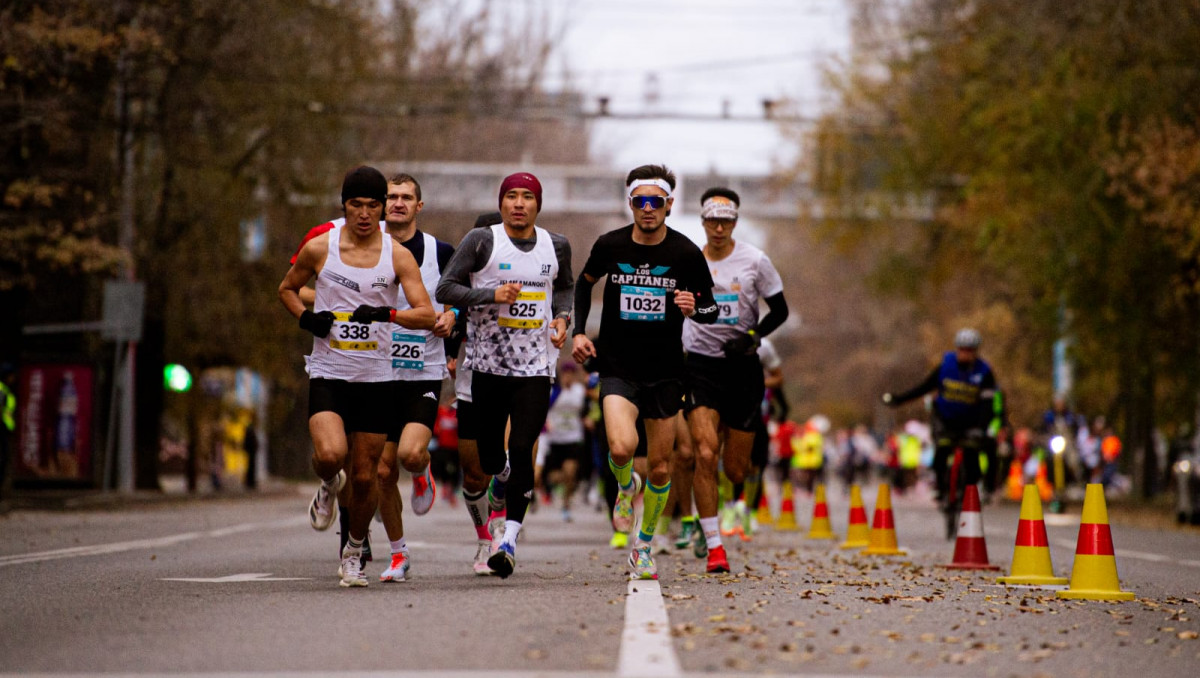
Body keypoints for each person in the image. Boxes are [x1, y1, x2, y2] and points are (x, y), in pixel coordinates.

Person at [278, 165, 436, 587]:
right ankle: (328, 484)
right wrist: (307, 320)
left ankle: (353, 552)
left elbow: (426, 314)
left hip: (376, 377)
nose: (364, 214)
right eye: (356, 205)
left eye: (372, 205)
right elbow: (287, 289)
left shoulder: (396, 254)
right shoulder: (319, 248)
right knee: (331, 456)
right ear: (343, 206)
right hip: (330, 371)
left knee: (367, 476)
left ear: (383, 209)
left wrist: (387, 313)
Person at [571, 164, 719, 580]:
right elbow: (584, 284)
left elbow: (711, 309)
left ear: (670, 205)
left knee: (659, 467)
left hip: (667, 371)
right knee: (620, 449)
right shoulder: (610, 245)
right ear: (630, 203)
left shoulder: (685, 253)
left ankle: (644, 546)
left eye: (657, 201)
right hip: (617, 364)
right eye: (641, 201)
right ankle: (623, 487)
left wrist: (695, 308)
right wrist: (580, 332)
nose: (648, 208)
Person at [436, 173, 574, 579]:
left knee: (524, 445)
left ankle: (509, 539)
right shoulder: (482, 241)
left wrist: (564, 318)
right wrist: (490, 295)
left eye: (527, 197)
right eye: (511, 196)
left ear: (538, 204)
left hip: (535, 367)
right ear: (501, 203)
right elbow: (445, 288)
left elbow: (564, 289)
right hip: (487, 367)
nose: (518, 203)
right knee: (492, 458)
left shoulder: (557, 245)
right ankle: (502, 483)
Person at [678, 187, 788, 573]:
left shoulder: (756, 261)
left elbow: (780, 310)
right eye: (712, 221)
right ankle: (714, 545)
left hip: (742, 368)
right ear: (703, 222)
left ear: (735, 223)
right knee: (704, 453)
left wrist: (753, 337)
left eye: (726, 221)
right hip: (701, 366)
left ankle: (718, 506)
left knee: (735, 470)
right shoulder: (688, 260)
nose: (719, 228)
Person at [373, 173, 458, 583]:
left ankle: (422, 468)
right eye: (391, 197)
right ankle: (398, 554)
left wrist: (449, 316)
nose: (398, 203)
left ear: (419, 206)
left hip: (421, 368)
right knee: (383, 473)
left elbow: (464, 294)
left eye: (406, 197)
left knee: (407, 456)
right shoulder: (363, 250)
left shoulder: (440, 252)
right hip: (372, 371)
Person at [882, 328, 998, 505]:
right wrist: (899, 399)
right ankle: (941, 489)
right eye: (962, 349)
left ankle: (980, 491)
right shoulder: (946, 366)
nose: (965, 354)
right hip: (946, 419)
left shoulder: (984, 372)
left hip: (971, 422)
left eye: (969, 350)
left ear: (975, 352)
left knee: (973, 456)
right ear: (957, 349)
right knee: (941, 452)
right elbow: (924, 387)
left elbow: (987, 405)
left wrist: (982, 428)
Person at [541, 360, 588, 522]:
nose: (568, 376)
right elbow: (543, 409)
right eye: (565, 373)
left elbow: (584, 407)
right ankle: (557, 490)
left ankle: (566, 504)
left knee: (570, 471)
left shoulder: (579, 391)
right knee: (552, 477)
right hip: (555, 439)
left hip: (573, 438)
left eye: (571, 373)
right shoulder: (553, 392)